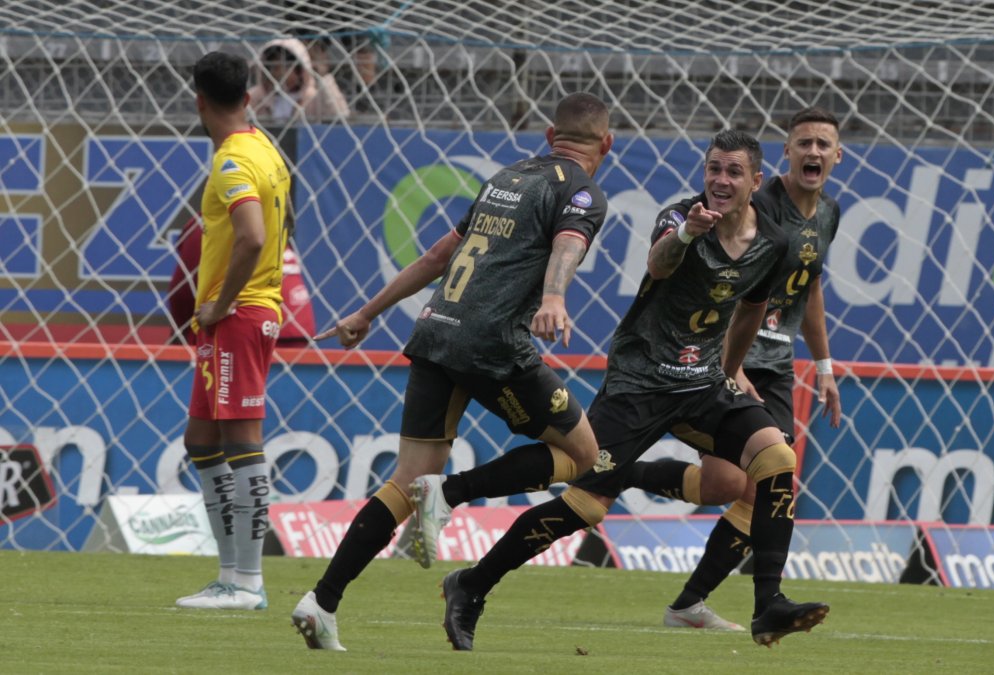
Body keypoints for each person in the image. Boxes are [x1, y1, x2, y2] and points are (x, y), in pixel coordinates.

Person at [415, 130, 829, 652]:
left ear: (756, 182)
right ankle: (471, 577)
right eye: (714, 169)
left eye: (733, 172)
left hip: (702, 383)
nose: (720, 181)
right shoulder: (681, 217)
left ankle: (767, 604)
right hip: (641, 381)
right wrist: (686, 236)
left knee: (776, 460)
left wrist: (730, 369)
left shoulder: (774, 241)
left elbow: (748, 310)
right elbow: (659, 264)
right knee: (582, 501)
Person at [290, 92, 614, 651]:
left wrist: (367, 313)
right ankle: (452, 492)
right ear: (606, 144)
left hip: (436, 328)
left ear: (546, 134)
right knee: (584, 455)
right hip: (492, 344)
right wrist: (555, 297)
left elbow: (439, 254)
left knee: (404, 481)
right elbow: (568, 243)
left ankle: (321, 601)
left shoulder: (506, 178)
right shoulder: (580, 190)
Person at [625, 106, 845, 631]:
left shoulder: (829, 214)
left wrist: (825, 363)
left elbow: (809, 285)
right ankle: (738, 602)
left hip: (777, 364)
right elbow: (721, 285)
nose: (813, 152)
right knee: (762, 478)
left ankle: (687, 604)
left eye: (822, 144)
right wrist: (730, 365)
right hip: (730, 360)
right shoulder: (754, 205)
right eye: (803, 143)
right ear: (785, 153)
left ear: (837, 155)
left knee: (731, 486)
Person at [174, 51, 292, 610]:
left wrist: (221, 302)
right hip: (244, 312)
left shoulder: (231, 163)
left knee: (243, 444)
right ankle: (229, 576)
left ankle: (247, 582)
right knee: (200, 440)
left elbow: (250, 235)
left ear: (198, 101)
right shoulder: (264, 148)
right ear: (248, 97)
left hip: (239, 314)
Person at [167, 216, 316, 347]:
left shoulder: (208, 223)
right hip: (297, 326)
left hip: (247, 327)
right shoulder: (268, 215)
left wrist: (183, 335)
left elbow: (181, 293)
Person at [247, 38, 350, 122]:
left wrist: (324, 77)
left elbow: (341, 115)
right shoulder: (255, 97)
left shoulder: (312, 98)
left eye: (285, 66)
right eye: (272, 67)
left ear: (300, 70)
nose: (277, 73)